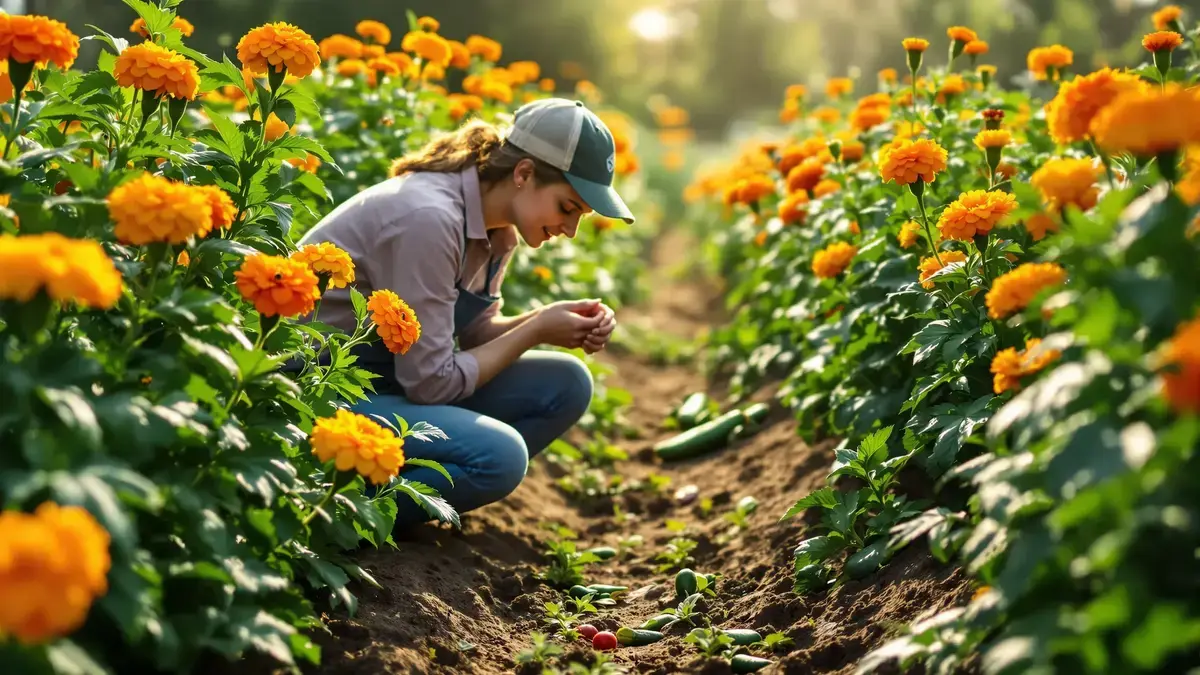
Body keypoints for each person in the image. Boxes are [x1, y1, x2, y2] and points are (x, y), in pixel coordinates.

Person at [297, 97, 636, 528]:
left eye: (581, 216)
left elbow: (476, 334)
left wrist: (546, 319)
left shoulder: (497, 232)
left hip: (387, 379)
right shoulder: (430, 218)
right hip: (321, 390)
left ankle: (400, 489)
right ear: (524, 174)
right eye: (567, 208)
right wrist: (534, 331)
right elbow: (431, 384)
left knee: (567, 384)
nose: (570, 229)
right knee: (501, 457)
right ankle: (338, 516)